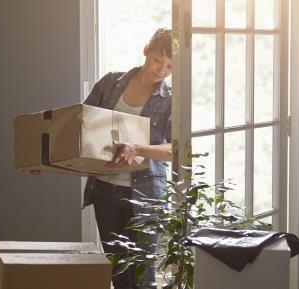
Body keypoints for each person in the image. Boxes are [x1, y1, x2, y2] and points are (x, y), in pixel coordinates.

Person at [81, 28, 173, 289]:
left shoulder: (170, 99)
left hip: (146, 194)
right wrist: (47, 160)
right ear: (146, 50)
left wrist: (138, 149)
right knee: (119, 273)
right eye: (158, 60)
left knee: (143, 275)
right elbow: (80, 124)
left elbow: (176, 149)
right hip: (104, 190)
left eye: (170, 66)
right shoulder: (110, 83)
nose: (161, 70)